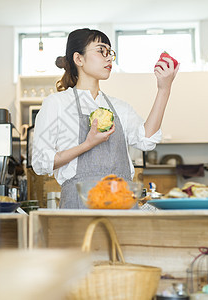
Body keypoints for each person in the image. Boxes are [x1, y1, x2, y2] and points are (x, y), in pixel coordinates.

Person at [32, 28, 179, 209]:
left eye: (110, 53)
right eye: (101, 51)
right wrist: (87, 144)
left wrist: (164, 89)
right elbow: (40, 162)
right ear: (79, 59)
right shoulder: (58, 104)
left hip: (123, 206)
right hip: (79, 207)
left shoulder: (120, 107)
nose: (109, 58)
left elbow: (146, 140)